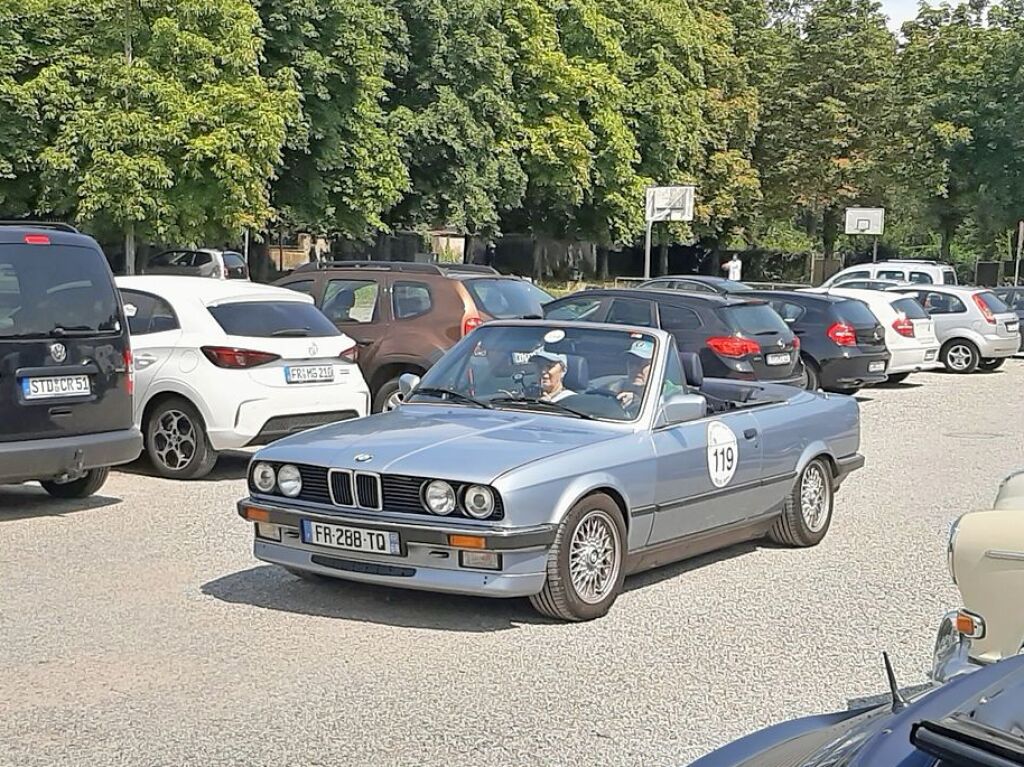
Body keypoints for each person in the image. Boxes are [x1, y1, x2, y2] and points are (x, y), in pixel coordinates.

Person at [615, 340, 654, 408]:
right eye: (632, 362)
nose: (636, 368)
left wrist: (637, 401)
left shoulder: (669, 393)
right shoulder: (617, 387)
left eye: (644, 363)